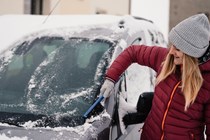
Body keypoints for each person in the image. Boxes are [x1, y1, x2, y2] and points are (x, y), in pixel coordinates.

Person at [100, 13, 210, 140]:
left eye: (178, 49)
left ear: (191, 54)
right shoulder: (165, 59)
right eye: (172, 45)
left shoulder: (207, 83)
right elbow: (133, 52)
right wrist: (110, 78)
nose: (172, 51)